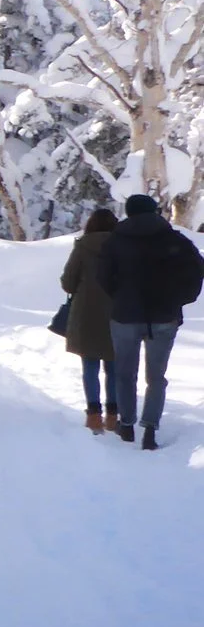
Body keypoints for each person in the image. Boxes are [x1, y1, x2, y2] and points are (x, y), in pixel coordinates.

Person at [97, 192, 204, 450]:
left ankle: (126, 424)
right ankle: (150, 430)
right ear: (155, 211)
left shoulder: (115, 241)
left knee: (124, 373)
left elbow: (102, 276)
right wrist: (179, 300)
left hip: (124, 315)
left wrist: (120, 296)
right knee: (156, 376)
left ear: (129, 212)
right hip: (164, 316)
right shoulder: (174, 239)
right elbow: (196, 271)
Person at [59, 205, 119, 434]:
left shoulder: (83, 246)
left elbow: (68, 282)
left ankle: (94, 415)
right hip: (117, 312)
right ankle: (113, 415)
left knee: (90, 365)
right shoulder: (122, 247)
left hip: (86, 313)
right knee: (114, 366)